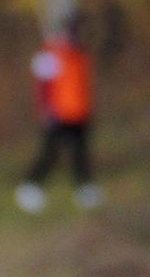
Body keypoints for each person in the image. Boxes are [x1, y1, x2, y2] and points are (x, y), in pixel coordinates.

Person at [18, 17, 96, 207]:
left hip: (79, 112)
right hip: (58, 114)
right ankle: (31, 186)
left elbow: (83, 85)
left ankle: (84, 188)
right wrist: (46, 111)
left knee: (80, 153)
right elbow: (43, 87)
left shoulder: (80, 54)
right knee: (50, 153)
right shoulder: (49, 54)